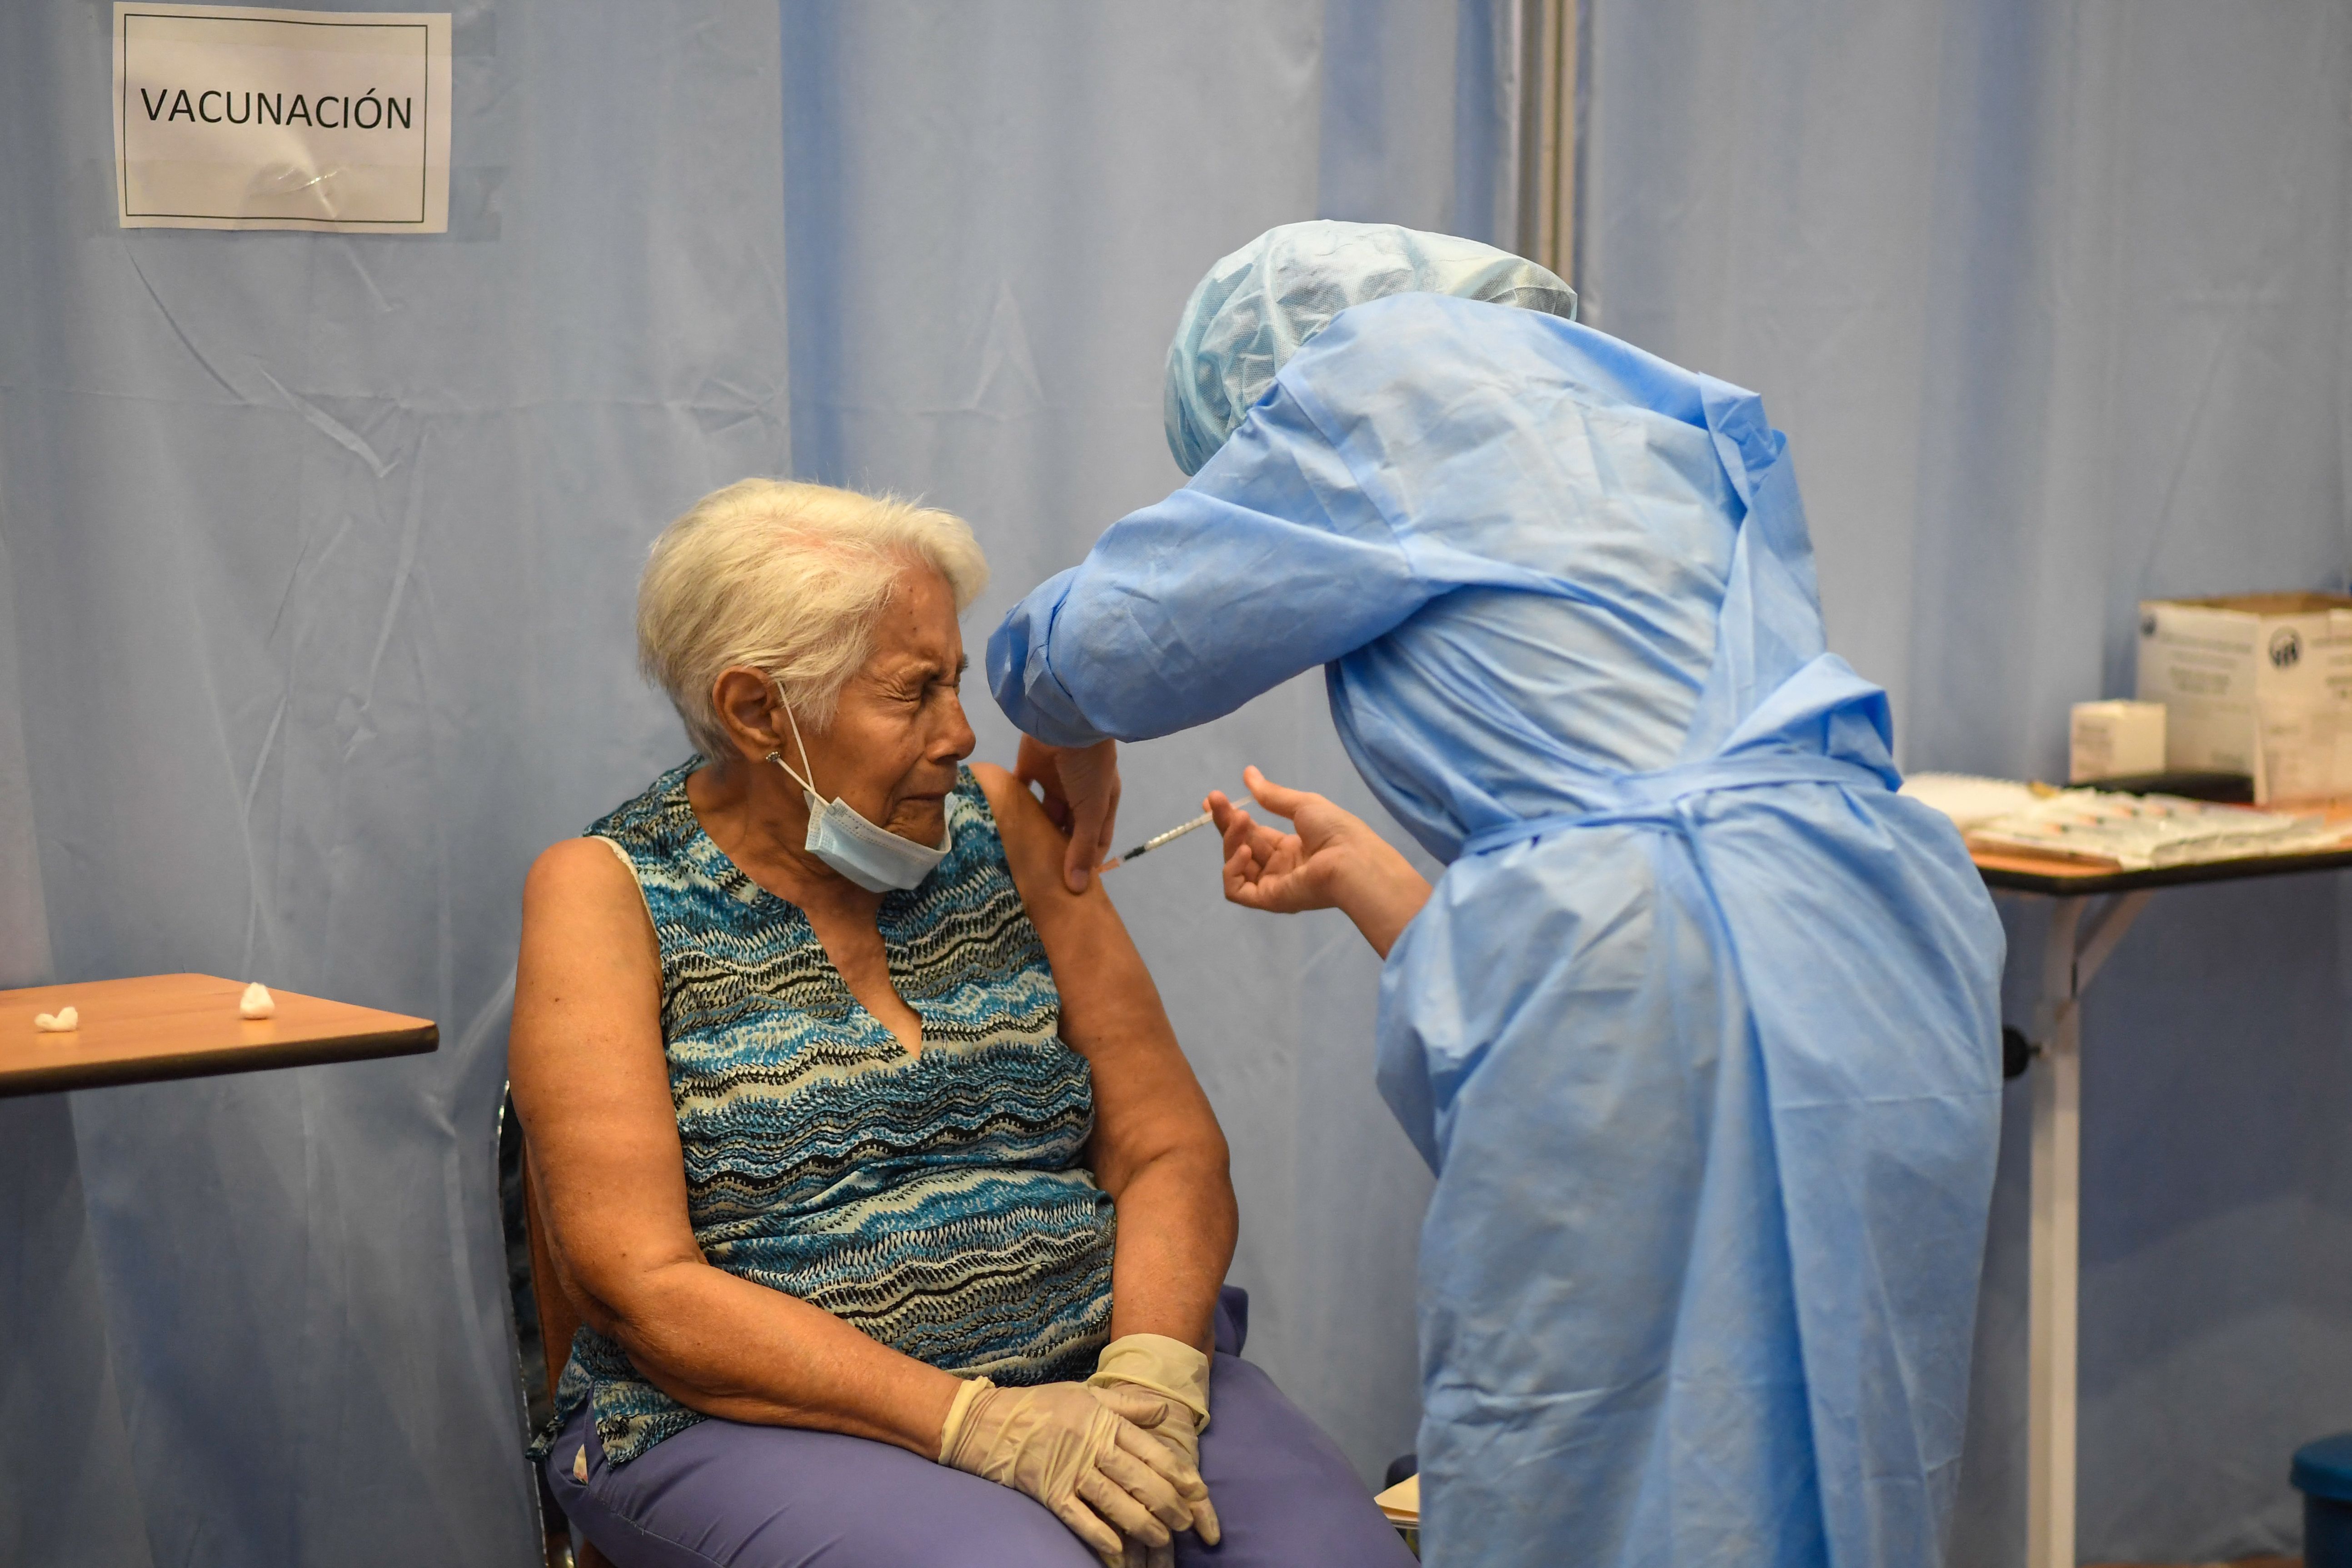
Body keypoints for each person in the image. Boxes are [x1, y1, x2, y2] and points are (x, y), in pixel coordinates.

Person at [990, 222, 2008, 1568]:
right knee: (1837, 1447)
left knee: (1589, 1453)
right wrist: (1381, 883)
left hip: (1664, 947)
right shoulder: (1641, 413)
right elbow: (1658, 821)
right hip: (1885, 930)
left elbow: (1119, 634)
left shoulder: (1384, 376)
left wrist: (1049, 705)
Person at [509, 478, 1415, 1568]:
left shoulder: (998, 827)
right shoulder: (606, 892)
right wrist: (977, 1424)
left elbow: (1165, 1144)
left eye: (955, 679)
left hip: (1101, 1369)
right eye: (913, 692)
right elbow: (638, 1285)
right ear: (756, 713)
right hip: (746, 1422)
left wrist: (1151, 1381)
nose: (960, 730)